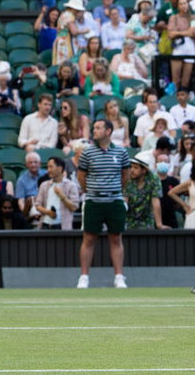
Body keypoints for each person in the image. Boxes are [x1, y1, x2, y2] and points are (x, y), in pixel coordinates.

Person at [76, 119, 130, 289]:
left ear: (108, 131)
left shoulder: (121, 152)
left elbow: (126, 176)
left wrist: (114, 190)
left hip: (114, 201)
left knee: (115, 238)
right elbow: (81, 177)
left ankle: (119, 277)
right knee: (89, 238)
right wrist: (92, 191)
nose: (95, 130)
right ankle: (84, 277)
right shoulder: (87, 153)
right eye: (94, 127)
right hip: (93, 201)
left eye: (98, 128)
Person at [35, 156, 80, 230]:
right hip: (45, 225)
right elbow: (37, 205)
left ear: (60, 168)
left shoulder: (71, 185)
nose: (48, 170)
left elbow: (74, 207)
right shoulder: (44, 185)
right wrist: (48, 212)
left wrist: (62, 196)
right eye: (48, 167)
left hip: (63, 227)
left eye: (51, 167)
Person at [125, 157, 169, 230]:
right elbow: (124, 201)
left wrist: (159, 225)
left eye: (135, 168)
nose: (131, 170)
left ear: (144, 170)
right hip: (128, 221)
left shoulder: (154, 179)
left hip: (147, 221)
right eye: (131, 167)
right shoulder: (127, 179)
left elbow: (155, 202)